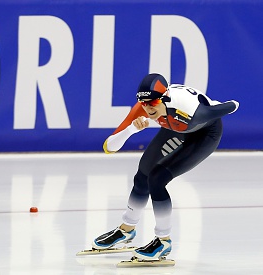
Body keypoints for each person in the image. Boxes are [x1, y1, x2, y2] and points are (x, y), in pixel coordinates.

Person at [92, 73, 239, 261]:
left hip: (205, 133)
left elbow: (227, 107)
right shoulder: (143, 108)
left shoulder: (187, 109)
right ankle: (126, 230)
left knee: (157, 179)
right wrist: (131, 129)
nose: (147, 108)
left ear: (165, 98)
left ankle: (164, 241)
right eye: (143, 103)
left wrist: (230, 104)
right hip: (175, 128)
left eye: (152, 103)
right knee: (142, 175)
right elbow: (109, 147)